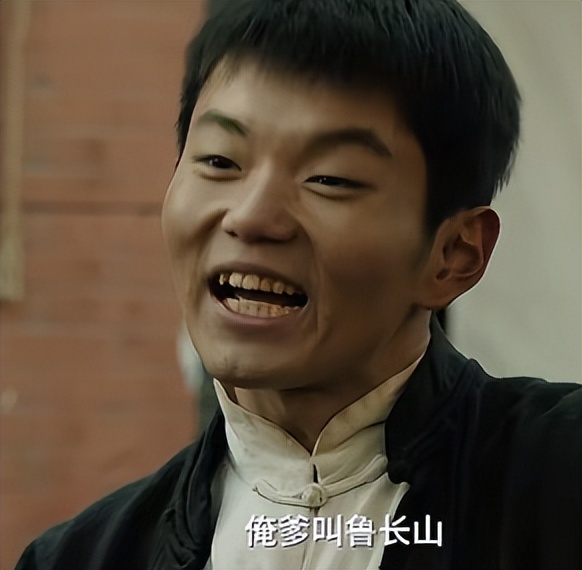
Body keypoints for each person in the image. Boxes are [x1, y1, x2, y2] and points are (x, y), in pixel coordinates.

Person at [17, 0, 582, 569]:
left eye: (329, 178)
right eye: (220, 161)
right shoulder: (81, 557)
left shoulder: (557, 480)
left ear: (453, 255)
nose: (251, 217)